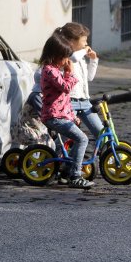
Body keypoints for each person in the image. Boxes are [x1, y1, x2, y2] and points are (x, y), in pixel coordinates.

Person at [38, 32, 94, 189]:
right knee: (82, 139)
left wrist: (71, 117)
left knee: (76, 139)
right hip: (53, 116)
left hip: (60, 115)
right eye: (64, 57)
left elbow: (64, 100)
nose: (66, 61)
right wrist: (70, 73)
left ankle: (66, 171)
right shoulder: (49, 71)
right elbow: (66, 88)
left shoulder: (56, 70)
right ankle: (75, 176)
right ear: (55, 55)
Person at [56, 23, 104, 140]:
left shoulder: (81, 57)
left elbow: (89, 77)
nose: (86, 44)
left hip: (85, 102)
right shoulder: (64, 54)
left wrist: (94, 60)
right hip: (70, 103)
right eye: (84, 41)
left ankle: (109, 155)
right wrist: (85, 50)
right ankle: (54, 156)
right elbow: (74, 58)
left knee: (101, 132)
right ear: (72, 41)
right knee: (65, 137)